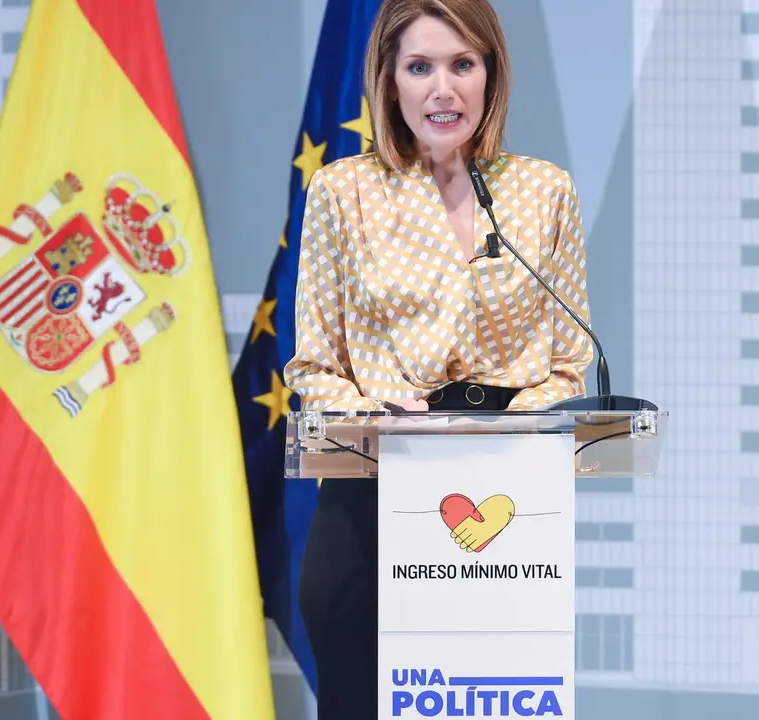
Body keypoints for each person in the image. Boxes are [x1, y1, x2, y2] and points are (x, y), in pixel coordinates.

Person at [283, 0, 594, 716]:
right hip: (372, 498)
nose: (442, 89)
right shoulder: (343, 192)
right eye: (419, 67)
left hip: (505, 511)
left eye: (463, 64)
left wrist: (503, 428)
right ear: (389, 81)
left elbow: (571, 366)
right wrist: (383, 419)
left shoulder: (544, 192)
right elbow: (312, 369)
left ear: (492, 74)